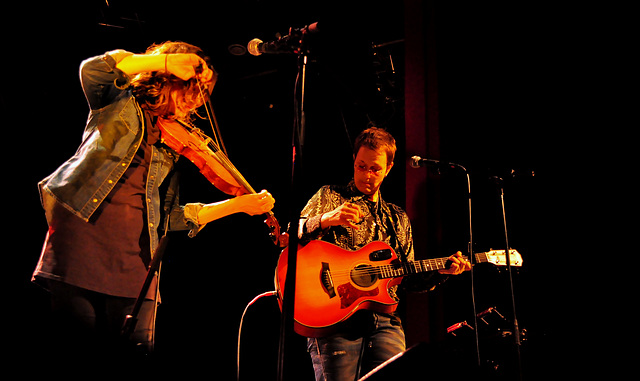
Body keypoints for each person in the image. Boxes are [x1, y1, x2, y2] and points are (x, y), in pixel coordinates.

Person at [32, 41, 275, 358]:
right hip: (80, 244)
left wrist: (238, 205)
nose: (196, 104)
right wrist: (162, 61)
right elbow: (93, 69)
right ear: (168, 79)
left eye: (202, 97)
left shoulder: (173, 141)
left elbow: (169, 217)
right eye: (192, 91)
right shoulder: (116, 102)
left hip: (138, 264)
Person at [298, 127, 471, 381]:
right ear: (354, 160)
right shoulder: (331, 196)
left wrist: (440, 272)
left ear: (389, 168)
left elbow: (407, 276)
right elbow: (292, 235)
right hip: (336, 322)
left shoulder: (397, 217)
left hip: (384, 323)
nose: (367, 175)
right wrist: (326, 219)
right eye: (361, 166)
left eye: (375, 169)